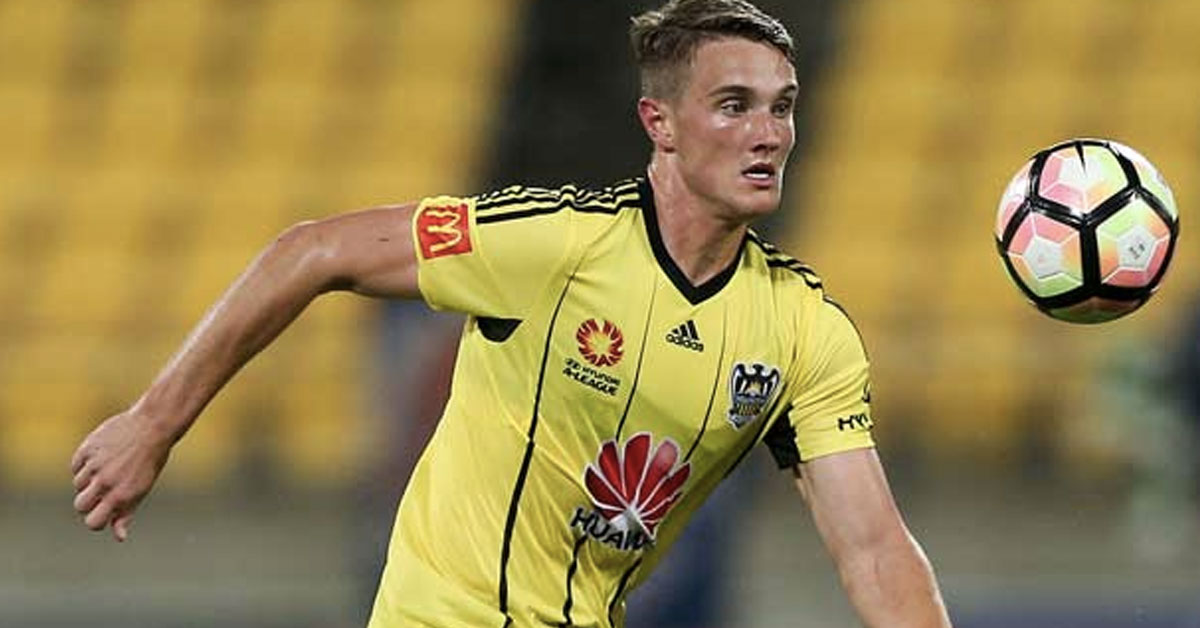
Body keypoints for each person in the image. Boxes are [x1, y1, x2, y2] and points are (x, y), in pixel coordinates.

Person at [69, 1, 953, 626]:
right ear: (660, 123)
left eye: (783, 108)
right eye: (735, 106)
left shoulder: (803, 331)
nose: (770, 134)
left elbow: (873, 547)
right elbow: (313, 250)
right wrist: (153, 424)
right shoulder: (551, 245)